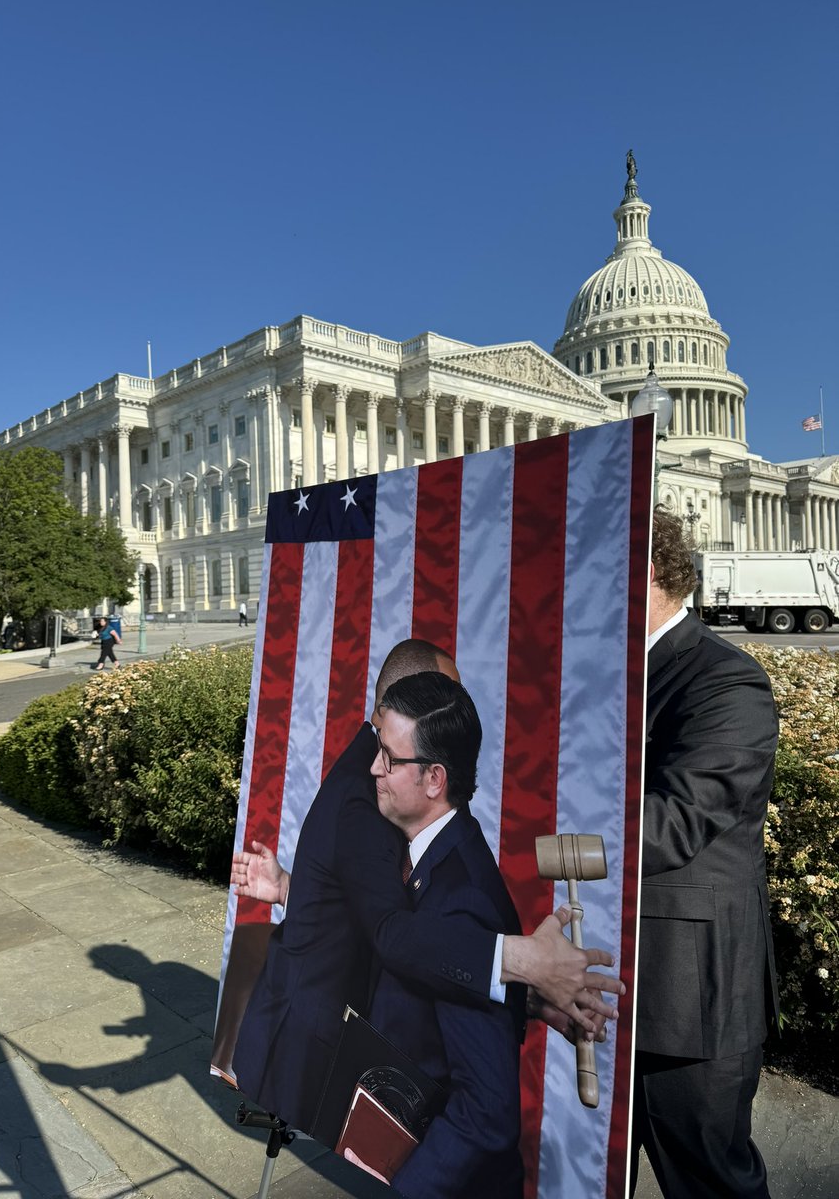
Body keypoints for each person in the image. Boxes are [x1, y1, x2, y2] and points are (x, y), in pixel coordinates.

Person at [232, 639, 621, 1133]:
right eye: (442, 699)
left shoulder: (373, 774)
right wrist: (523, 961)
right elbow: (392, 935)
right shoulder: (369, 799)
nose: (457, 719)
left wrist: (531, 997)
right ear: (399, 710)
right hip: (306, 1049)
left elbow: (362, 904)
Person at [631, 510, 779, 1199]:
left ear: (650, 572)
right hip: (588, 979)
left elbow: (673, 824)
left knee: (710, 1183)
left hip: (684, 996)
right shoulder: (607, 671)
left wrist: (531, 838)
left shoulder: (725, 682)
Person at [354, 671, 525, 1198]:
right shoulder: (434, 855)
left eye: (389, 758)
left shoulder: (460, 899)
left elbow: (488, 1110)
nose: (374, 768)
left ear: (434, 779)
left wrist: (411, 1189)